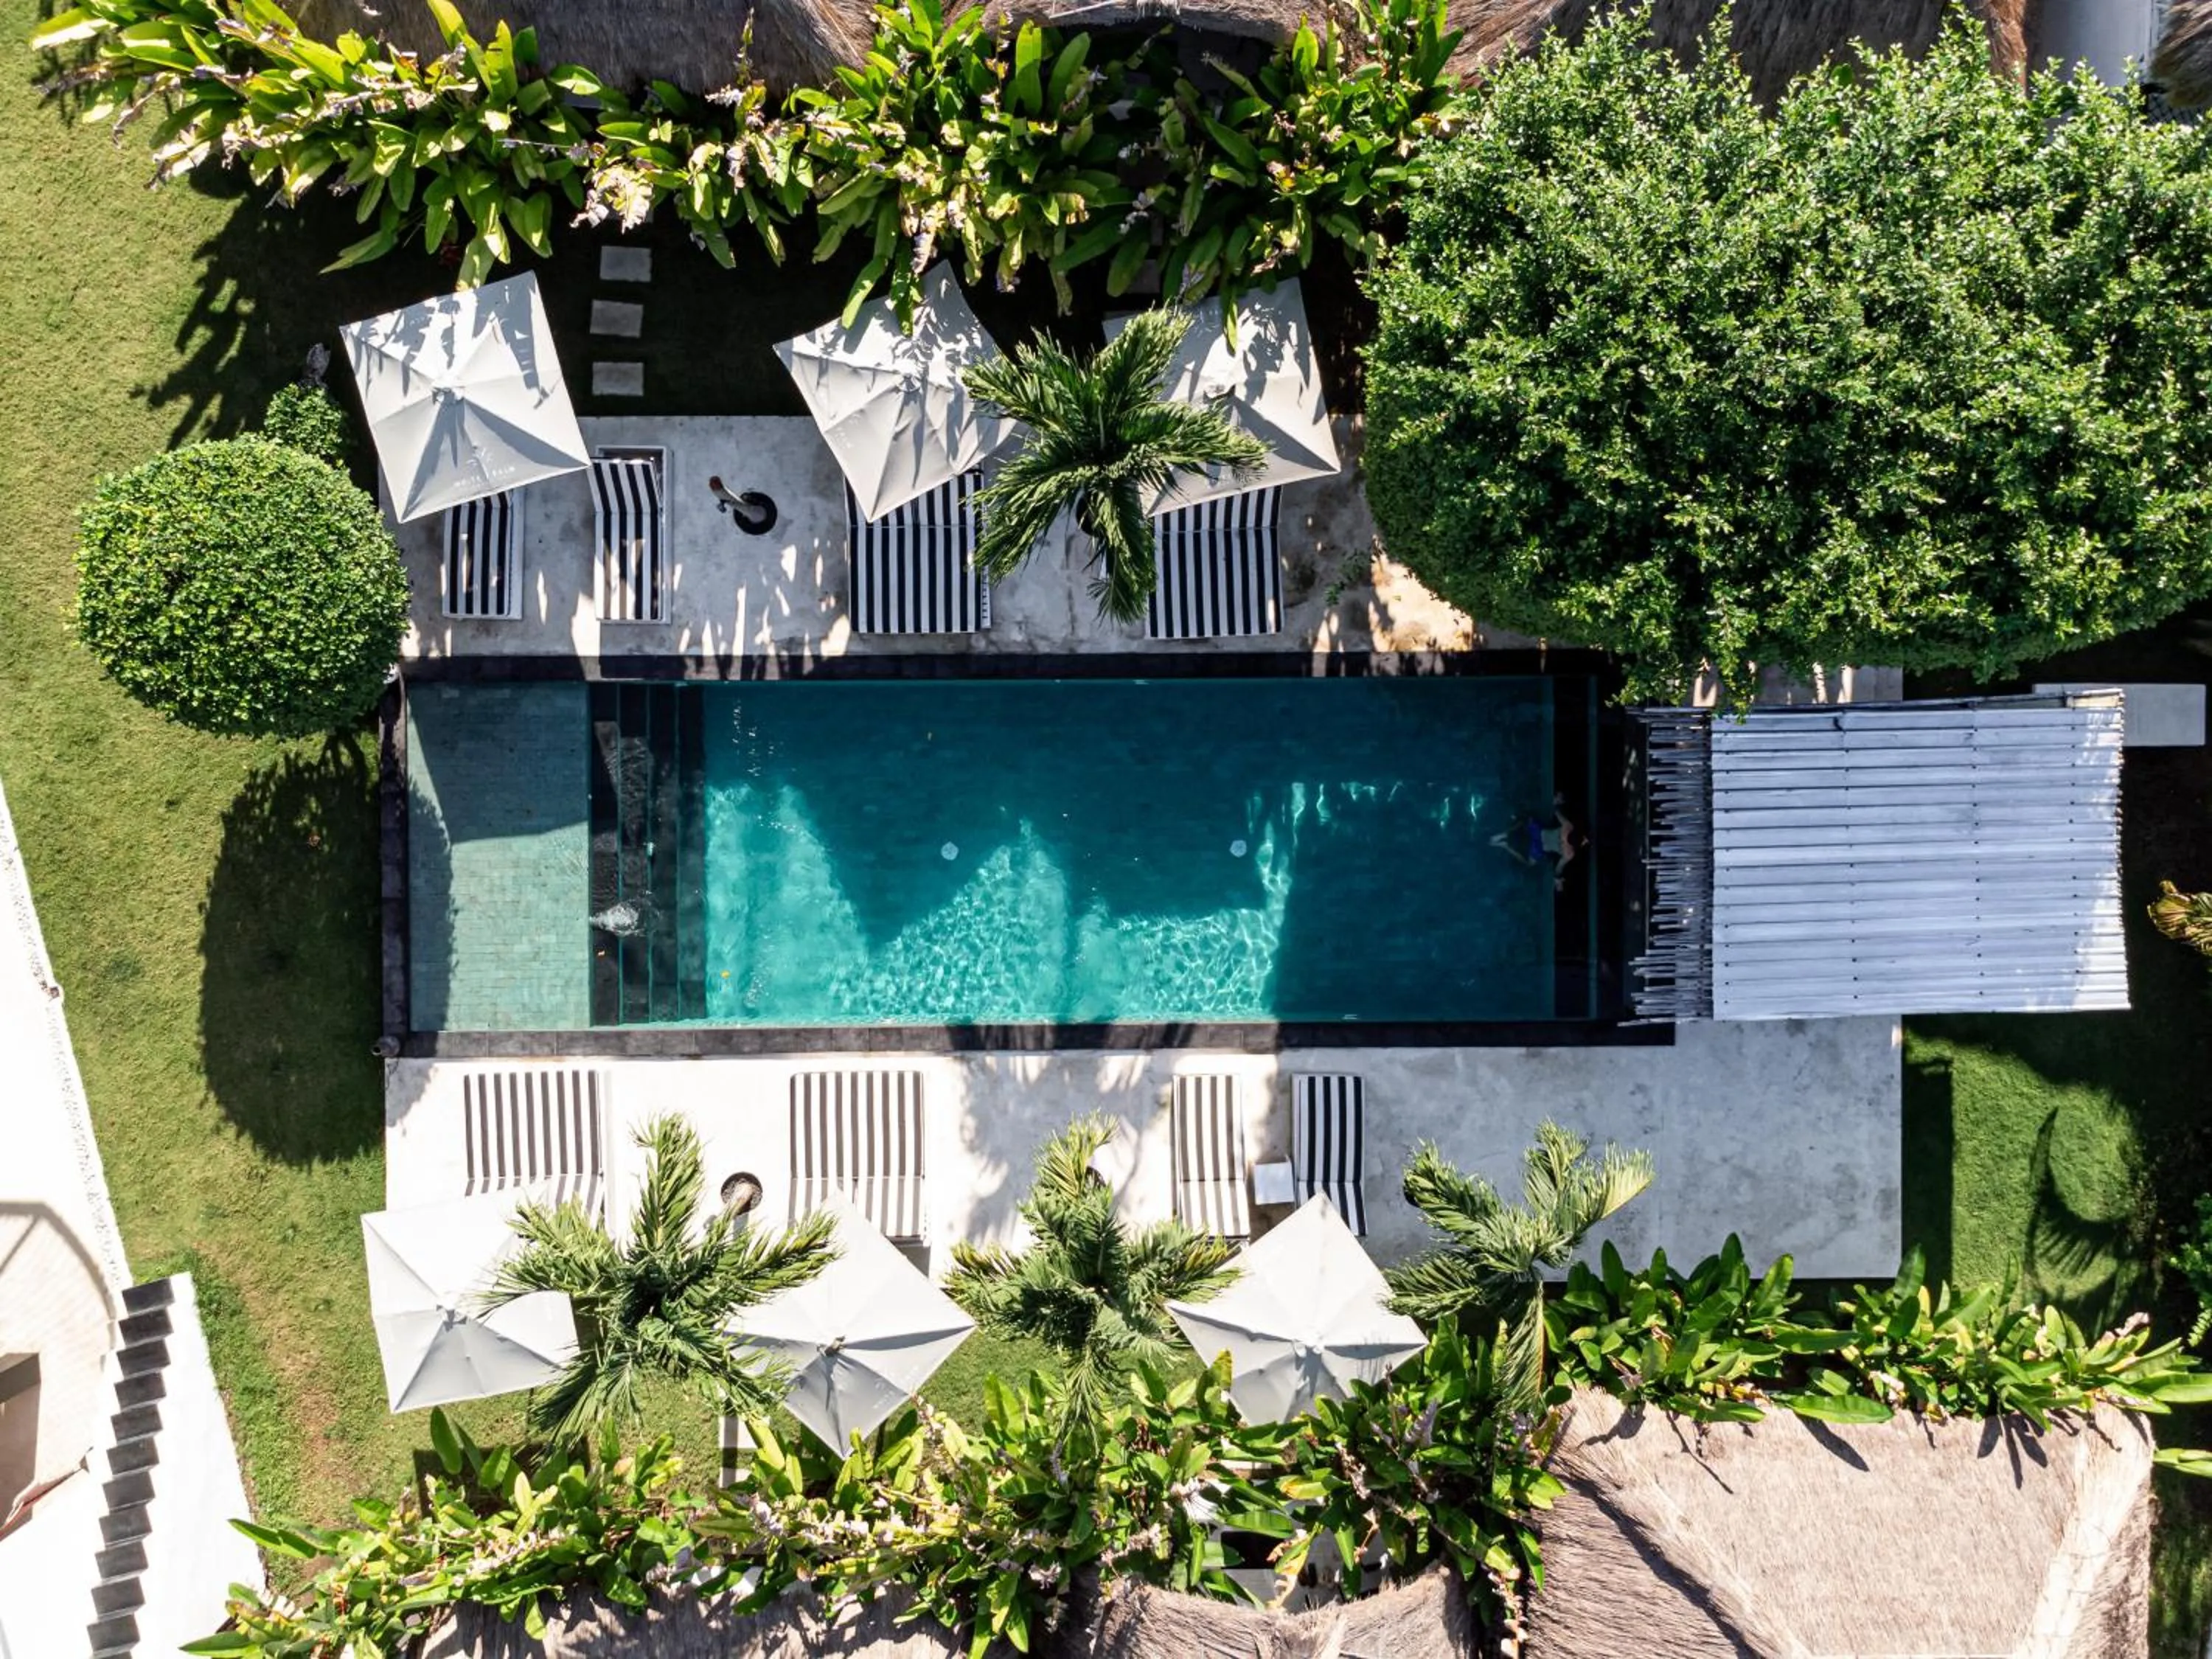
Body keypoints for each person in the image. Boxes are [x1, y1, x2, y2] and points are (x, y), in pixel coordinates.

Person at [1492, 793, 1585, 892]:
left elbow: (1556, 812)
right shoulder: (1569, 853)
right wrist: (1558, 881)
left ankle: (1505, 836)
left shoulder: (1568, 827)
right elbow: (1558, 869)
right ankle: (1506, 846)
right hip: (1539, 848)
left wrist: (1557, 802)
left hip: (1539, 833)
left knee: (1527, 819)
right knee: (1529, 863)